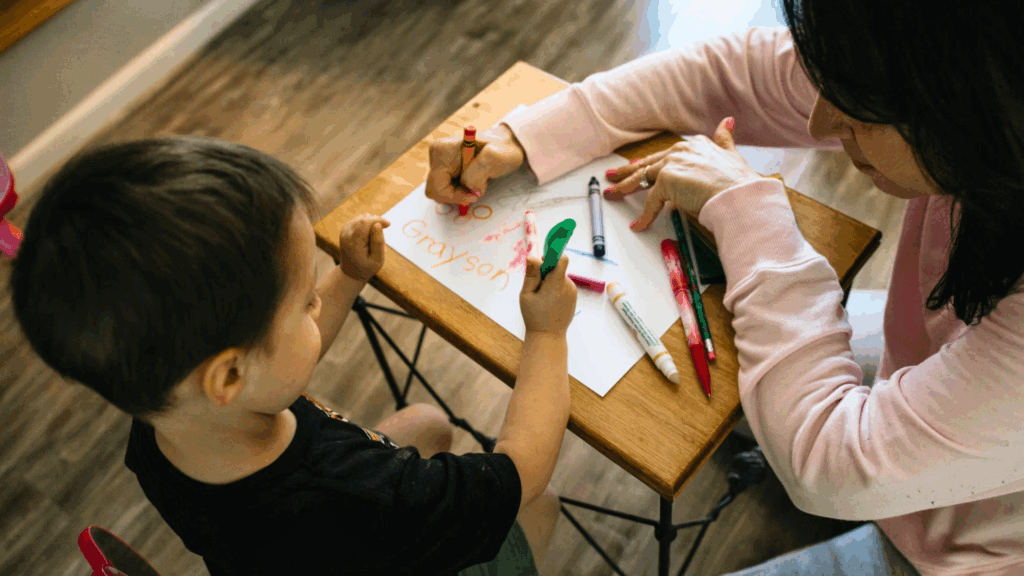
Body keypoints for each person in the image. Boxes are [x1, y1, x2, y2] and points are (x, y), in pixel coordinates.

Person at [424, 0, 1024, 574]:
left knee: (769, 414)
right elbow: (733, 73)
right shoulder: (974, 89)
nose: (819, 120)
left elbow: (828, 463)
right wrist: (526, 136)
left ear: (971, 102)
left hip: (974, 551)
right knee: (741, 394)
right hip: (938, 372)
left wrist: (750, 213)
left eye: (857, 108)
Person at [8, 136, 578, 575]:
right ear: (228, 374)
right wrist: (548, 334)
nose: (316, 305)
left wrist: (348, 277)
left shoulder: (164, 419)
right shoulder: (360, 496)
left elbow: (273, 366)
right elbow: (521, 472)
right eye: (307, 303)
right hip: (375, 542)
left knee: (429, 422)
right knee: (543, 505)